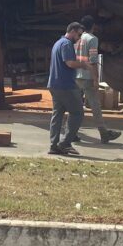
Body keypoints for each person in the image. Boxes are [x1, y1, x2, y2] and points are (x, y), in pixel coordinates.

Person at [74, 15, 121, 144]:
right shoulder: (93, 39)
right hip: (88, 77)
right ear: (93, 26)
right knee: (95, 106)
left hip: (76, 76)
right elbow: (93, 61)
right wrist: (95, 79)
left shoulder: (77, 40)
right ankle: (104, 133)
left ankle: (71, 132)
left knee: (76, 107)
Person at [47, 22, 90, 156]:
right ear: (71, 31)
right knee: (77, 113)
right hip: (65, 85)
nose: (79, 37)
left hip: (54, 84)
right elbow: (70, 63)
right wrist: (84, 65)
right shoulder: (66, 44)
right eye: (78, 34)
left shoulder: (58, 43)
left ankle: (54, 146)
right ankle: (65, 144)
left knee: (57, 115)